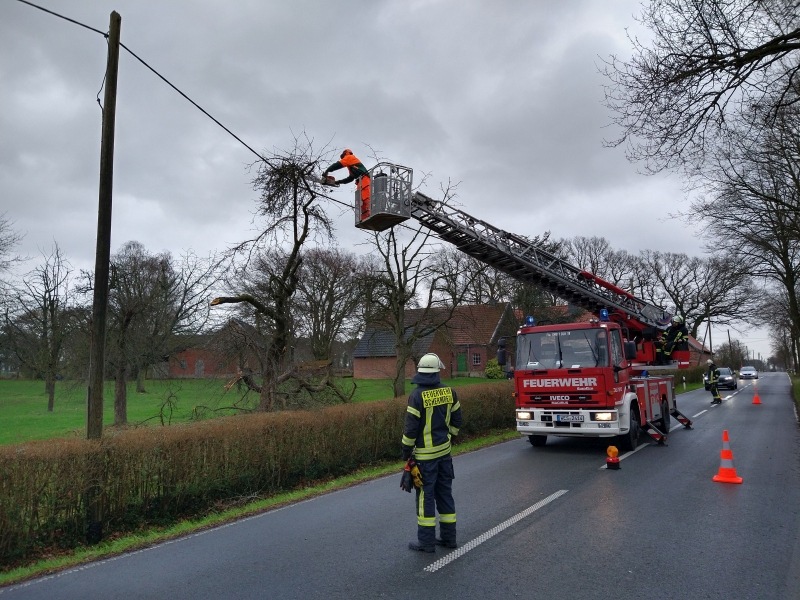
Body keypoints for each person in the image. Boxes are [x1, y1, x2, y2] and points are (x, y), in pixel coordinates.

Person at [401, 353, 462, 553]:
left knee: (425, 498)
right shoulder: (450, 392)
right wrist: (449, 439)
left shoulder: (417, 396)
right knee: (445, 494)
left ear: (420, 371)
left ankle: (426, 543)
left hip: (425, 459)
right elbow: (457, 422)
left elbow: (410, 431)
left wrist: (406, 453)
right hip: (445, 455)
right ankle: (449, 538)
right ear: (437, 371)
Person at [323, 149, 371, 221]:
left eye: (343, 157)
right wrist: (338, 182)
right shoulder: (351, 165)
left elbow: (337, 165)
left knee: (365, 197)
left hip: (364, 179)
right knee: (361, 200)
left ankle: (369, 214)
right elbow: (350, 178)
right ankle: (365, 217)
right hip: (359, 181)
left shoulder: (349, 157)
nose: (342, 159)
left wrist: (327, 171)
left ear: (345, 154)